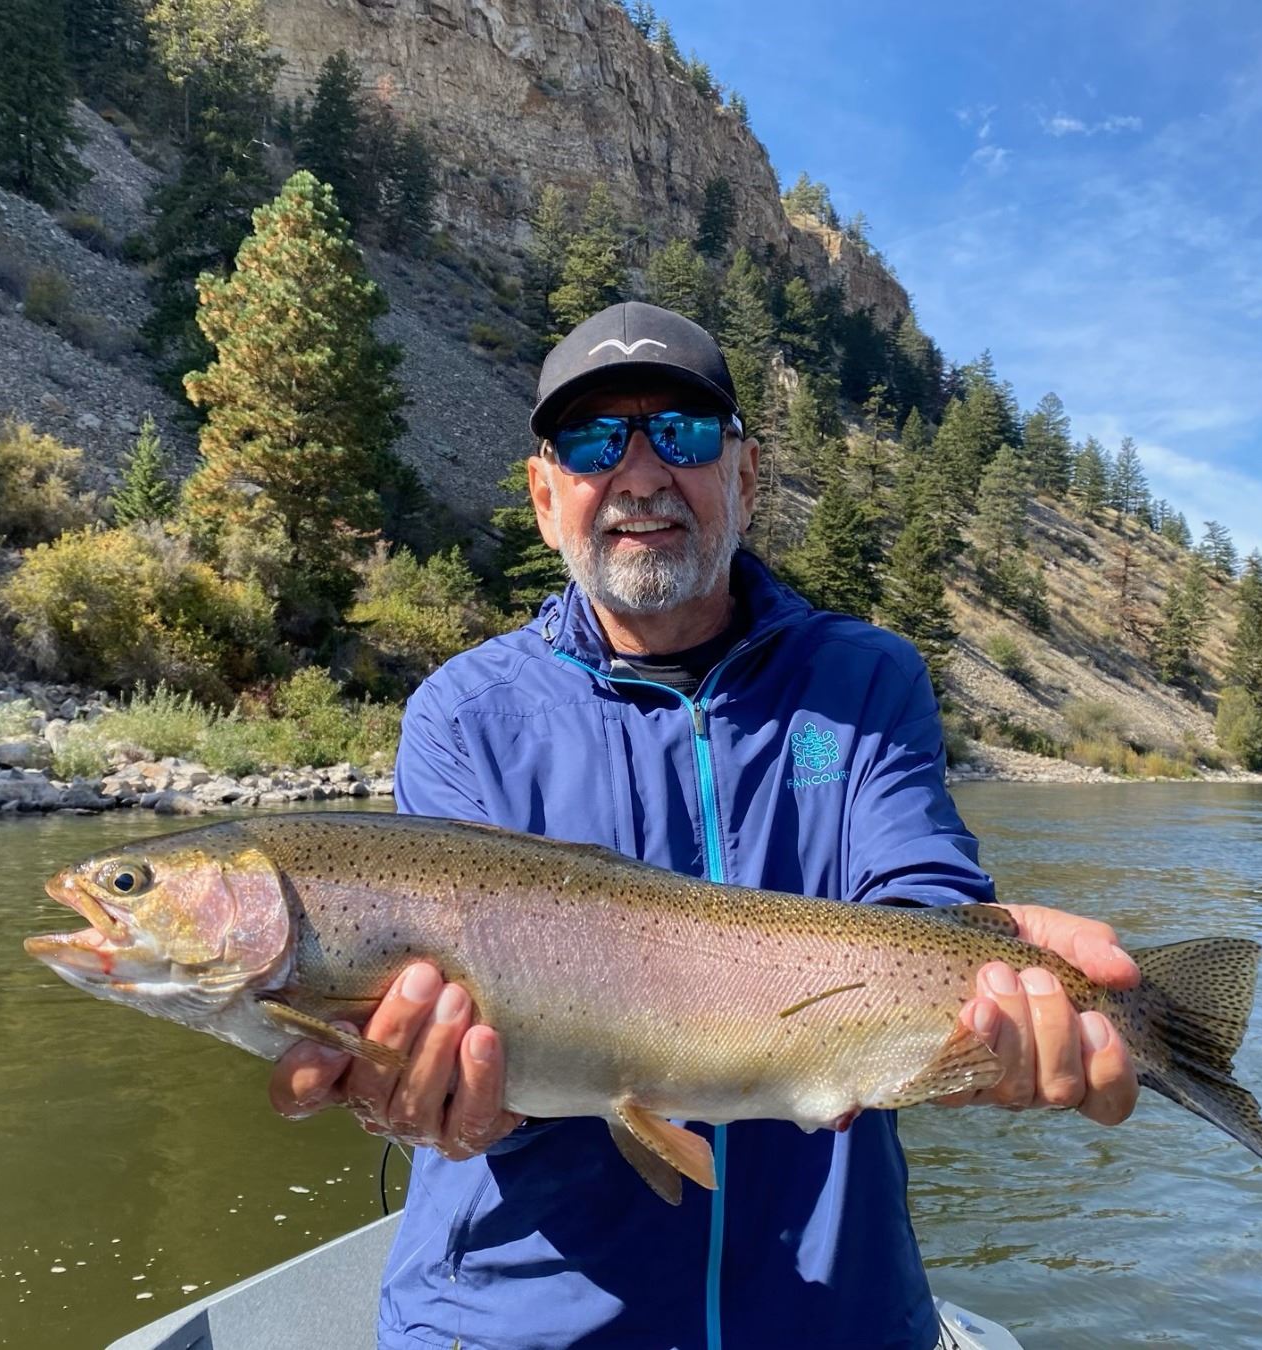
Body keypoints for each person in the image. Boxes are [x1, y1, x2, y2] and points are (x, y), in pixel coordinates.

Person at [268, 302, 1140, 1349]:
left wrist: (997, 979)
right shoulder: (464, 713)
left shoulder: (866, 681)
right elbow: (444, 1031)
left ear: (746, 477)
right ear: (545, 497)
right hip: (512, 1323)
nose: (640, 475)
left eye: (681, 435)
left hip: (834, 1317)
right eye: (593, 442)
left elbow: (920, 895)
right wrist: (436, 1095)